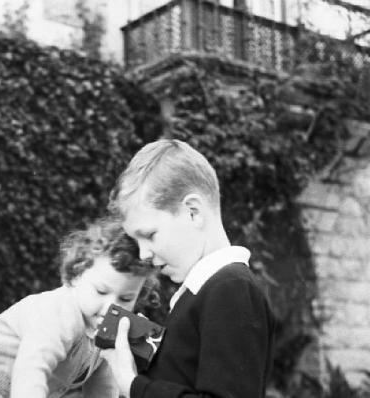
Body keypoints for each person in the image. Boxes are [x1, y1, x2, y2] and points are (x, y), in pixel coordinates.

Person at [102, 138, 276, 398]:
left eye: (149, 235)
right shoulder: (204, 292)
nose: (144, 254)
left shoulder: (231, 289)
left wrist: (134, 386)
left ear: (193, 212)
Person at [0, 218, 156, 398]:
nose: (111, 307)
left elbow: (103, 385)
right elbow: (32, 368)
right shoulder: (59, 312)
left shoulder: (104, 331)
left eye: (126, 299)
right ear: (74, 277)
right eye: (101, 292)